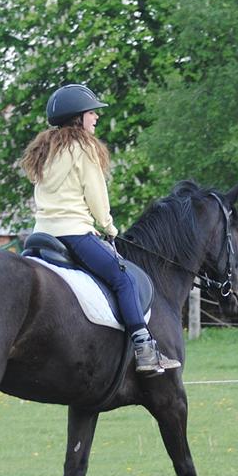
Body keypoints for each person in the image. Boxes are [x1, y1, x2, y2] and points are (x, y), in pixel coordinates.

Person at [20, 84, 180, 376]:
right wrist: (109, 227)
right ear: (77, 118)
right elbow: (96, 196)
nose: (96, 118)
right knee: (123, 280)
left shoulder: (45, 150)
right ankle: (145, 350)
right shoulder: (84, 149)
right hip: (74, 234)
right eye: (92, 112)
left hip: (41, 235)